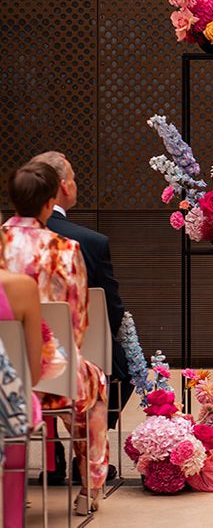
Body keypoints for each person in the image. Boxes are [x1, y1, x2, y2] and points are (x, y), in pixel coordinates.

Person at [2, 162, 109, 515]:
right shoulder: (66, 249)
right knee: (95, 388)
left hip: (3, 374)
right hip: (50, 375)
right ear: (50, 203)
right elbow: (76, 322)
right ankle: (89, 490)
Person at [33, 151, 129, 480]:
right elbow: (110, 310)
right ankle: (83, 450)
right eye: (73, 177)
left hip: (17, 356)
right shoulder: (87, 242)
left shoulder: (7, 240)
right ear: (63, 186)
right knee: (122, 365)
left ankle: (52, 455)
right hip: (77, 355)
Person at [0, 216, 43, 528]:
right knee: (19, 402)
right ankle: (12, 518)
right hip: (8, 412)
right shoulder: (20, 287)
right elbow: (34, 370)